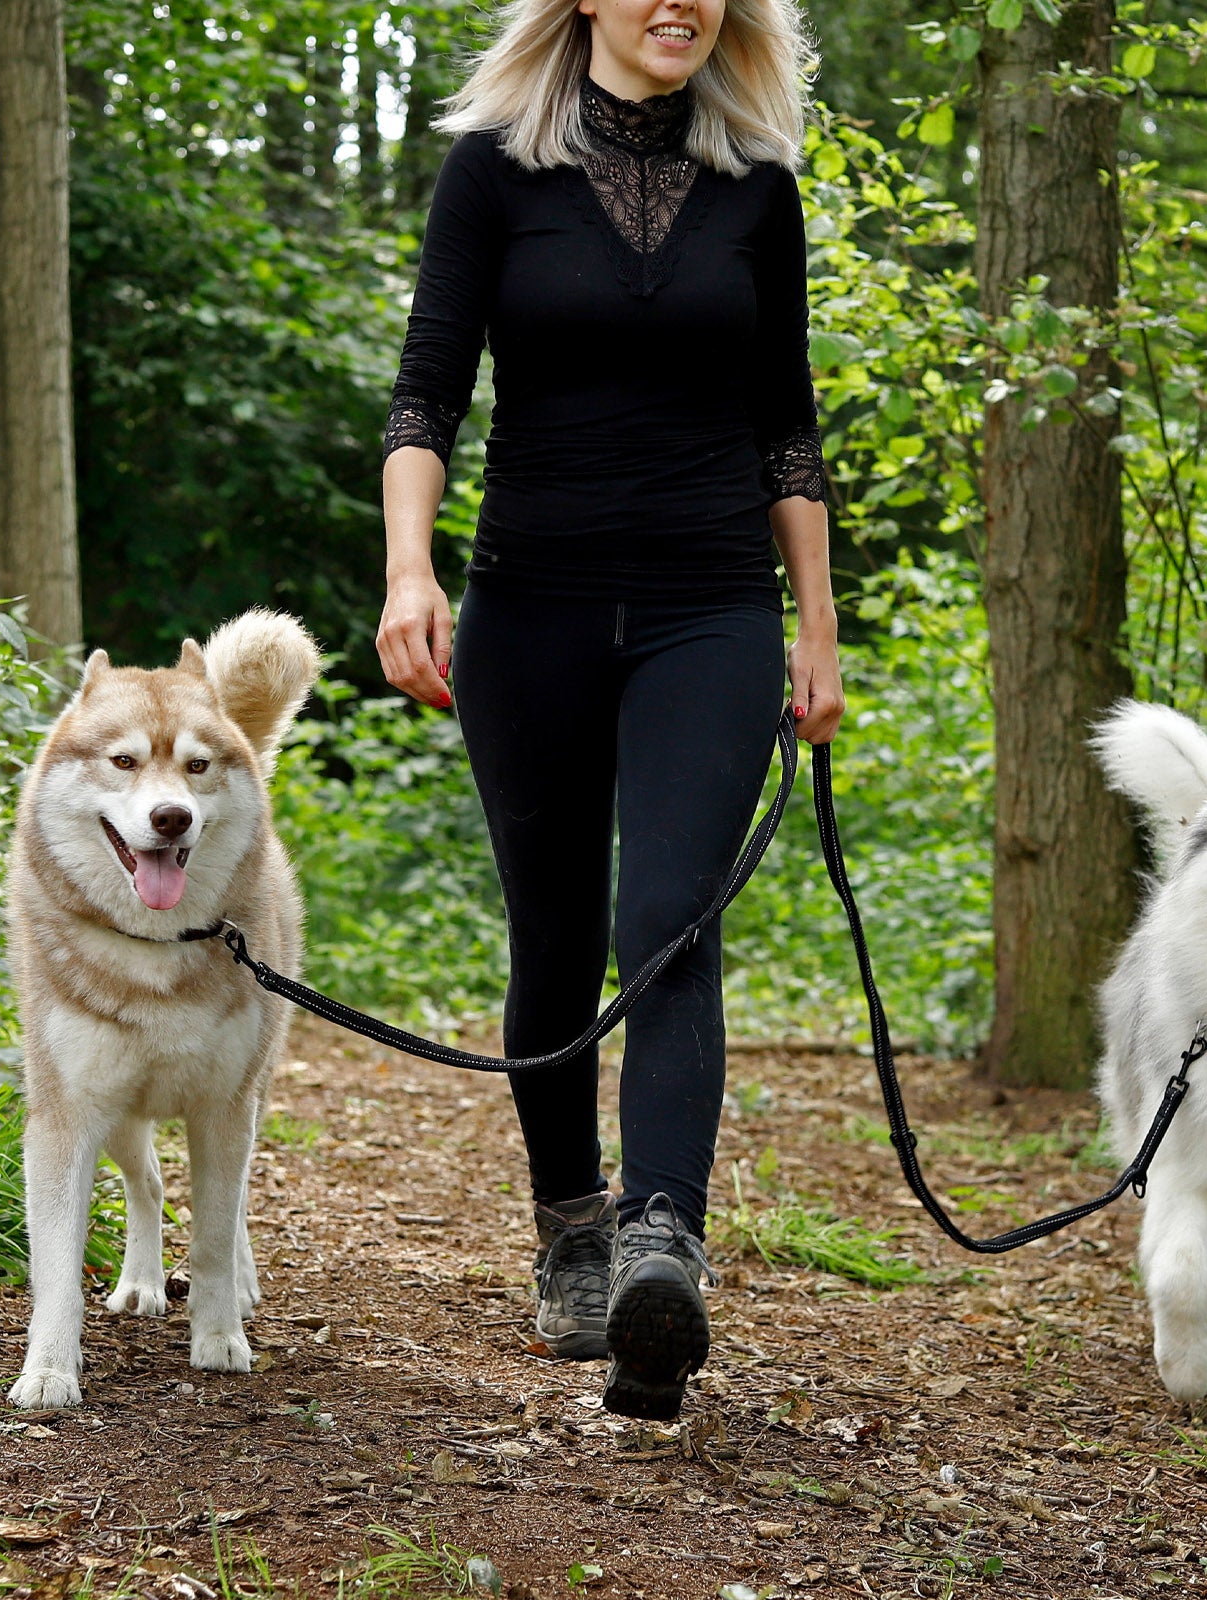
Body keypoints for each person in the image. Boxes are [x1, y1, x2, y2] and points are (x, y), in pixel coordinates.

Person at [375, 0, 843, 1422]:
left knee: (669, 929)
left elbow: (787, 423)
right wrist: (410, 572)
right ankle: (574, 1228)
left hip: (710, 607)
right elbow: (425, 398)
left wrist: (817, 627)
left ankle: (662, 1252)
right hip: (532, 610)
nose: (677, 4)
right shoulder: (491, 173)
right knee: (559, 938)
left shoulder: (759, 187)